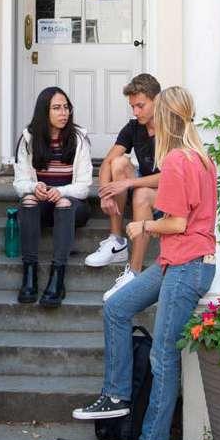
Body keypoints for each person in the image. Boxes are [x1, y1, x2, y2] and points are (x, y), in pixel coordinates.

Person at [73, 86, 217, 440]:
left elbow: (178, 223)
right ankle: (117, 395)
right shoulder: (202, 158)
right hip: (179, 262)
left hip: (187, 267)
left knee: (162, 356)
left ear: (166, 119)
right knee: (117, 307)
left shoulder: (179, 161)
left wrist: (143, 227)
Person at [85, 73, 161, 301]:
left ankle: (134, 272)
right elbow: (107, 162)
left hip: (166, 195)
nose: (136, 112)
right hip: (143, 186)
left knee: (141, 194)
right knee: (118, 163)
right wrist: (105, 193)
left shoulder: (171, 127)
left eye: (141, 106)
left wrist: (130, 183)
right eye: (132, 107)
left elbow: (170, 178)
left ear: (156, 100)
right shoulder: (134, 127)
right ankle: (117, 241)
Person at [14, 87, 93, 308]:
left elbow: (84, 187)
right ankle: (29, 274)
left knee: (64, 202)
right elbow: (19, 184)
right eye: (57, 108)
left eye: (66, 107)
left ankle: (57, 275)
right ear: (44, 111)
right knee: (28, 200)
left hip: (73, 207)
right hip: (42, 206)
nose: (63, 113)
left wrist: (61, 191)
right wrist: (34, 186)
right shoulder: (29, 138)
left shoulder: (79, 139)